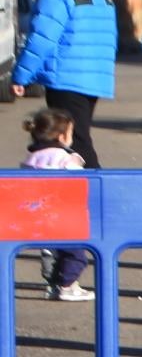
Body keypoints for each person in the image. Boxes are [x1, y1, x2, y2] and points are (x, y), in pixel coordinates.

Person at [9, 0, 116, 167]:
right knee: (78, 137)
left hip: (65, 76)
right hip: (94, 78)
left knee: (72, 143)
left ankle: (94, 193)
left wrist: (21, 75)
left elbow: (43, 37)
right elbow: (110, 36)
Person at [20, 108, 89, 301]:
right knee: (76, 254)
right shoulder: (65, 157)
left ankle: (53, 285)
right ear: (62, 136)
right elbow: (79, 181)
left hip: (37, 214)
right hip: (63, 215)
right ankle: (67, 285)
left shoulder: (31, 156)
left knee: (54, 253)